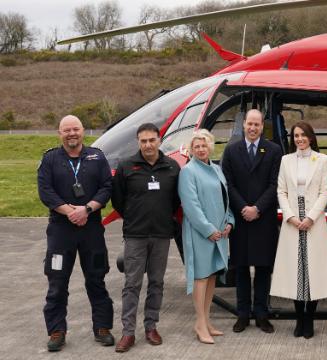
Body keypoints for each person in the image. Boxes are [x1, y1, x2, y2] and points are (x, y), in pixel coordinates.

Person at [37, 115, 114, 352]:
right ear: (60, 133)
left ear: (83, 131)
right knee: (57, 282)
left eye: (76, 129)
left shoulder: (97, 156)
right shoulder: (50, 158)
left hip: (91, 229)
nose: (72, 133)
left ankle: (102, 327)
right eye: (67, 130)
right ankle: (57, 330)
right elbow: (45, 191)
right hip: (61, 231)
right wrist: (70, 211)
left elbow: (106, 187)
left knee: (96, 278)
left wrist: (87, 209)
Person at [111, 123, 180, 352]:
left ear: (159, 140)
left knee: (157, 283)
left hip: (161, 234)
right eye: (143, 141)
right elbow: (118, 201)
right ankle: (128, 332)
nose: (148, 145)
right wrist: (134, 218)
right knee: (132, 284)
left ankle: (151, 326)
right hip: (135, 235)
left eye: (152, 140)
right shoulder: (126, 167)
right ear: (138, 142)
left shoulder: (171, 167)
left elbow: (175, 201)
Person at [270, 122, 327, 339]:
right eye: (296, 135)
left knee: (313, 273)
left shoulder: (322, 160)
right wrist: (290, 216)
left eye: (303, 135)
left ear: (311, 137)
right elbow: (281, 190)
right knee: (295, 272)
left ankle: (309, 319)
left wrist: (310, 217)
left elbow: (324, 192)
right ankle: (299, 319)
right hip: (292, 221)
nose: (299, 139)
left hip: (313, 222)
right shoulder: (286, 160)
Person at [221, 109, 283, 333]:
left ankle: (261, 314)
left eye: (257, 124)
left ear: (262, 126)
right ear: (244, 124)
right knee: (241, 269)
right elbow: (228, 184)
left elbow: (275, 185)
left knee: (264, 269)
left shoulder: (274, 150)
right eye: (250, 124)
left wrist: (257, 208)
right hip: (240, 219)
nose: (253, 128)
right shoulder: (231, 151)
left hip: (263, 218)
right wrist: (243, 208)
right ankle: (243, 314)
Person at [178, 129, 235, 344]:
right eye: (197, 147)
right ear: (191, 150)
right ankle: (200, 323)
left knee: (211, 276)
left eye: (204, 145)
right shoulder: (188, 171)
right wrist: (209, 230)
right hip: (201, 234)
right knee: (201, 277)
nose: (201, 149)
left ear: (210, 146)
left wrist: (230, 221)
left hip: (220, 233)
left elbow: (225, 199)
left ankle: (207, 320)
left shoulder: (218, 169)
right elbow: (190, 206)